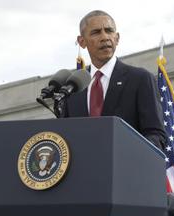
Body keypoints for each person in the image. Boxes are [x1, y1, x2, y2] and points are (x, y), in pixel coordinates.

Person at [63, 10, 166, 150]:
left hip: (125, 168)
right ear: (82, 41)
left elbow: (156, 136)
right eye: (96, 32)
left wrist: (123, 152)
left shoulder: (140, 79)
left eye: (109, 31)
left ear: (117, 38)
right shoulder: (73, 86)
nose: (105, 37)